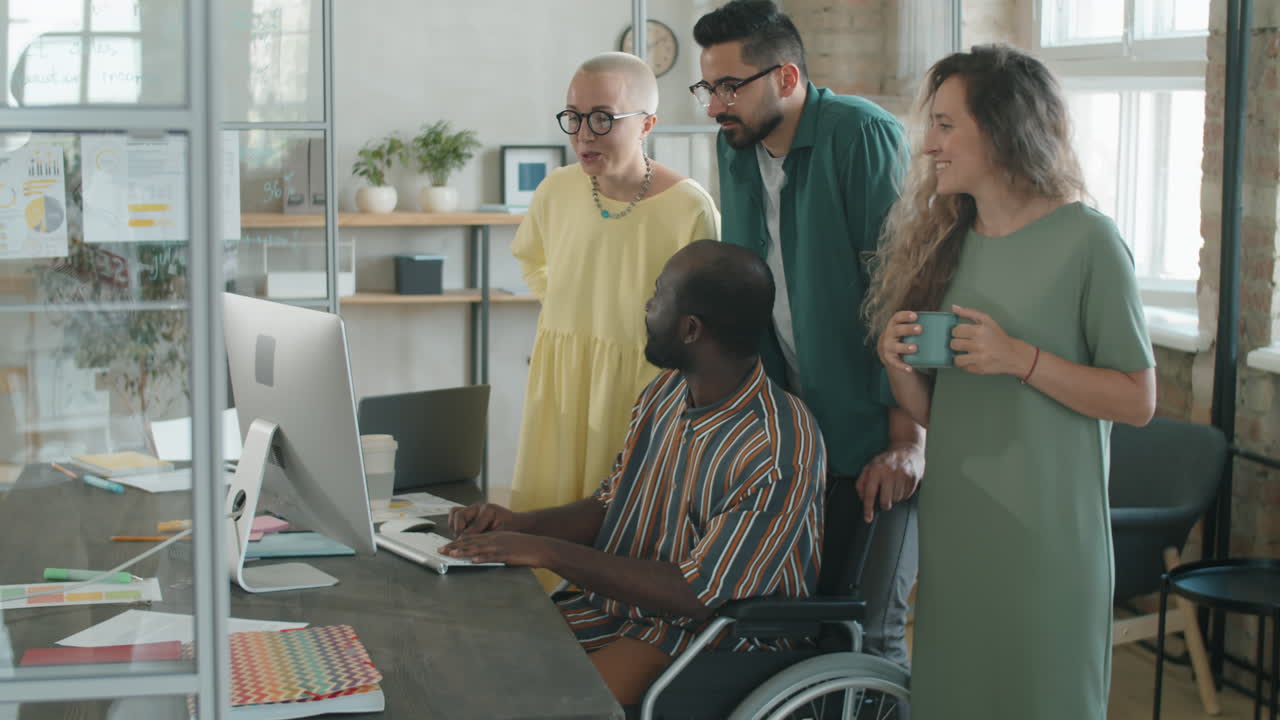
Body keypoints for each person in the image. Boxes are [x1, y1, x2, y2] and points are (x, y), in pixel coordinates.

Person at [865, 45, 1156, 718]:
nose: (929, 144)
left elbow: (1137, 401)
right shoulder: (948, 243)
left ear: (1001, 129)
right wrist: (896, 364)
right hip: (961, 524)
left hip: (1048, 537)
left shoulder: (1090, 242)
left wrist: (1020, 358)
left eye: (945, 124)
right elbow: (941, 412)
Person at [443, 240, 824, 706]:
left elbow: (695, 593)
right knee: (472, 661)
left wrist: (547, 552)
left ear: (690, 329)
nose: (648, 305)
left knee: (542, 704)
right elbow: (611, 503)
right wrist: (519, 524)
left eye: (659, 294)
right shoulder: (665, 393)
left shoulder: (776, 447)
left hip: (713, 638)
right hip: (617, 611)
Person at [692, 0, 923, 670]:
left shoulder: (860, 135)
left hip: (873, 431)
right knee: (795, 625)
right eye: (708, 88)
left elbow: (903, 291)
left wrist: (909, 440)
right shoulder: (734, 145)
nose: (714, 105)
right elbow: (745, 286)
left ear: (787, 79)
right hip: (790, 434)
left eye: (729, 87)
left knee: (869, 634)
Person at [510, 51, 720, 514]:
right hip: (562, 381)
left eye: (603, 118)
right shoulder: (556, 191)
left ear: (647, 124)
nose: (584, 133)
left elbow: (705, 317)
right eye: (575, 116)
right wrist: (569, 312)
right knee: (547, 518)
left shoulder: (689, 207)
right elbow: (532, 261)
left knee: (624, 522)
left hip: (643, 387)